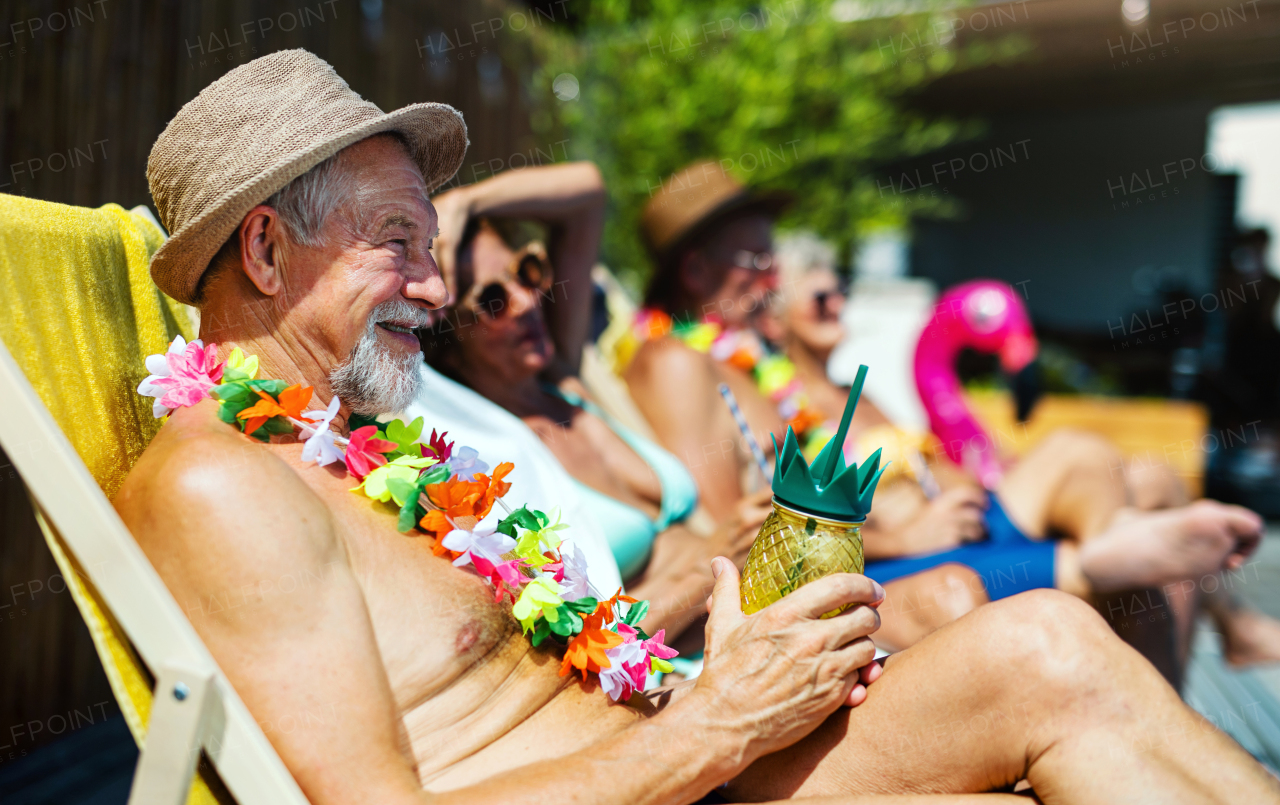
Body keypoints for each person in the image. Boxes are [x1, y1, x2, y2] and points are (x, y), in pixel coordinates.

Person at [114, 51, 1280, 805]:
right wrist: (719, 720)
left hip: (670, 746)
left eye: (432, 246)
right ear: (265, 251)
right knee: (1048, 669)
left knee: (1042, 642)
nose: (434, 288)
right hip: (677, 768)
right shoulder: (223, 487)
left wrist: (710, 675)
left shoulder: (364, 453)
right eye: (395, 244)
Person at [619, 161, 1264, 659]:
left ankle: (1127, 582)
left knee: (1122, 496)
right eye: (755, 262)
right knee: (1136, 556)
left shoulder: (756, 368)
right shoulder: (676, 362)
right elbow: (734, 534)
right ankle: (1106, 559)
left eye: (773, 261)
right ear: (697, 272)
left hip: (923, 534)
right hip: (873, 564)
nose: (772, 280)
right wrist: (903, 536)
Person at [768, 238, 1280, 664]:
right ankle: (1192, 607)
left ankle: (1139, 565)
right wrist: (903, 535)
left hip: (966, 517)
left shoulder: (862, 397)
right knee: (1086, 471)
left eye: (841, 290)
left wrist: (972, 473)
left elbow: (931, 463)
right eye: (820, 297)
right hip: (911, 554)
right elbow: (786, 534)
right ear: (775, 318)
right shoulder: (776, 407)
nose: (837, 302)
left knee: (1155, 477)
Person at [413, 162, 770, 643]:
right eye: (493, 300)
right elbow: (587, 644)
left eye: (528, 272)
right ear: (449, 340)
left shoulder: (565, 377)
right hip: (682, 674)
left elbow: (588, 191)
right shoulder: (489, 467)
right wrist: (715, 562)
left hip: (751, 616)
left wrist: (466, 203)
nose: (528, 301)